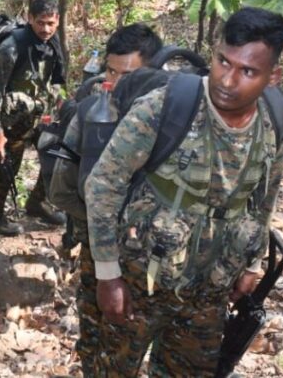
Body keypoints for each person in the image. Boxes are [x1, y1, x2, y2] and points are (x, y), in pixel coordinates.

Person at [86, 7, 283, 376]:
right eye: (222, 62)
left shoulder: (273, 120)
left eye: (247, 71)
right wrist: (108, 274)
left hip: (211, 290)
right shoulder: (167, 106)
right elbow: (104, 183)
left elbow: (265, 195)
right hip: (140, 278)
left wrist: (253, 265)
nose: (228, 80)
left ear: (272, 76)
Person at [46, 23, 163, 376]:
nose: (115, 82)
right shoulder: (91, 110)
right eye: (110, 70)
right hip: (101, 252)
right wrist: (98, 221)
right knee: (96, 336)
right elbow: (60, 188)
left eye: (127, 74)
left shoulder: (174, 116)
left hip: (152, 255)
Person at [0, 0, 67, 236]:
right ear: (30, 19)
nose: (46, 29)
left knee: (55, 156)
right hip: (13, 119)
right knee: (7, 167)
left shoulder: (53, 43)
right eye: (40, 23)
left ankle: (37, 203)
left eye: (51, 23)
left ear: (57, 21)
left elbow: (57, 79)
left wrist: (61, 103)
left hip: (41, 113)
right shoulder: (11, 48)